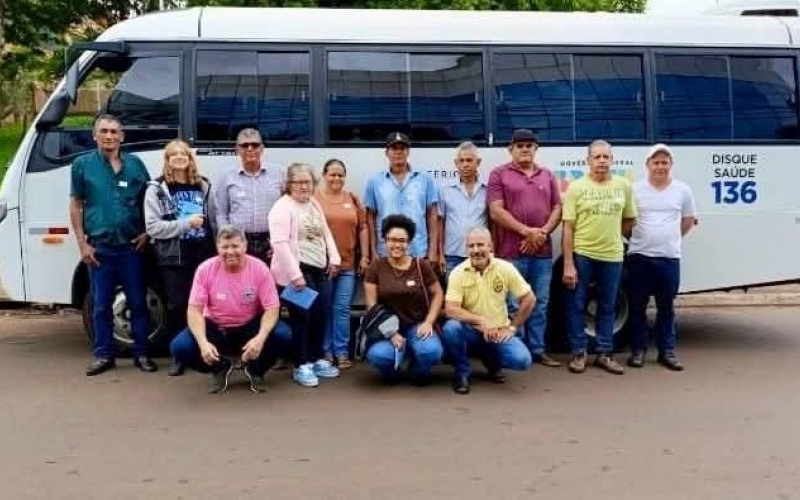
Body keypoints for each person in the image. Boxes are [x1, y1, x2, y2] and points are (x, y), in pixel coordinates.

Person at [69, 114, 157, 376]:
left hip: (132, 248)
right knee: (100, 306)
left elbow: (150, 200)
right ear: (95, 135)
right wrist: (82, 244)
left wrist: (147, 232)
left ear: (122, 136)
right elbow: (76, 205)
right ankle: (104, 355)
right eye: (104, 131)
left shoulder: (135, 165)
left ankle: (142, 353)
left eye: (114, 132)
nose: (109, 136)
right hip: (100, 249)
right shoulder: (82, 165)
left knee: (138, 302)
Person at [169, 225, 291, 394]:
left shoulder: (260, 268)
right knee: (179, 347)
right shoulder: (205, 269)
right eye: (224, 247)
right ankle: (220, 368)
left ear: (245, 246)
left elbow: (272, 308)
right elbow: (194, 311)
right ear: (217, 247)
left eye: (235, 246)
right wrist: (203, 343)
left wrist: (260, 338)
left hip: (249, 326)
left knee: (283, 334)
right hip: (216, 328)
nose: (230, 251)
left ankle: (256, 370)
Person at [487, 129, 562, 368]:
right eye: (519, 146)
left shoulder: (547, 175)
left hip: (542, 253)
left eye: (529, 145)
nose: (525, 149)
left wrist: (542, 233)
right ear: (511, 149)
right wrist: (527, 231)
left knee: (540, 303)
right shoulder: (499, 174)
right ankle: (516, 348)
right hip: (510, 252)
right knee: (513, 304)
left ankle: (538, 350)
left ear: (536, 149)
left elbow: (557, 208)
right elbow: (496, 211)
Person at [562, 140, 637, 375]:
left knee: (608, 305)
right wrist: (568, 264)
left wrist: (614, 237)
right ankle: (579, 353)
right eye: (597, 157)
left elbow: (630, 219)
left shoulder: (623, 186)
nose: (602, 161)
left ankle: (605, 353)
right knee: (576, 304)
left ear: (612, 160)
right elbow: (568, 227)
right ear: (588, 161)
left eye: (606, 157)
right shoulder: (576, 188)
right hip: (583, 255)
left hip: (613, 256)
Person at [143, 140, 216, 377]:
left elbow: (214, 219)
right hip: (175, 255)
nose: (178, 157)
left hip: (203, 253)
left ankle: (205, 350)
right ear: (167, 160)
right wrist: (186, 224)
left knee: (205, 305)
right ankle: (178, 354)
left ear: (190, 158)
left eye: (183, 153)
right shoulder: (156, 189)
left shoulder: (203, 185)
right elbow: (153, 228)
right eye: (172, 154)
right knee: (178, 305)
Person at [269, 162, 341, 387]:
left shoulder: (313, 203)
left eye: (307, 182)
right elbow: (279, 244)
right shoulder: (282, 207)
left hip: (320, 267)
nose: (303, 186)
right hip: (298, 270)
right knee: (302, 317)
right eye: (298, 182)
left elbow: (325, 233)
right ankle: (301, 364)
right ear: (289, 184)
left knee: (320, 314)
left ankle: (316, 358)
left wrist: (334, 258)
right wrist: (295, 275)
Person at [626, 144, 697, 371]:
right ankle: (638, 350)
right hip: (639, 256)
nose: (660, 166)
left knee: (666, 307)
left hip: (669, 258)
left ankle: (667, 352)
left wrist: (671, 238)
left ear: (670, 165)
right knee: (637, 307)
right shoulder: (634, 190)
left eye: (664, 162)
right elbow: (625, 221)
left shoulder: (682, 190)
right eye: (656, 162)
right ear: (647, 165)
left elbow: (688, 220)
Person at [442, 228, 534, 394]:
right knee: (451, 328)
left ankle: (492, 362)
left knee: (522, 360)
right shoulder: (458, 272)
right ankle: (462, 372)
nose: (476, 250)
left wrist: (512, 328)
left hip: (497, 332)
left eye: (480, 245)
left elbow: (529, 299)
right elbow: (450, 309)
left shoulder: (505, 268)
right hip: (471, 330)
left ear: (490, 246)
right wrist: (482, 321)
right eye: (471, 246)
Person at [363, 214, 444, 384]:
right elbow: (372, 306)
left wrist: (429, 322)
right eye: (392, 240)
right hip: (387, 327)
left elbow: (438, 293)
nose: (397, 245)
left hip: (417, 325)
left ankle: (417, 367)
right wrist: (391, 333)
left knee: (431, 352)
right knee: (379, 356)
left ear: (409, 242)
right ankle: (392, 371)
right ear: (385, 240)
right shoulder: (376, 267)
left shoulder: (421, 265)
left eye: (402, 240)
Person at [315, 159, 370, 369]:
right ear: (324, 175)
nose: (336, 178)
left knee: (342, 309)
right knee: (326, 308)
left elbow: (363, 227)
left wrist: (364, 256)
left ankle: (342, 352)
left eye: (340, 175)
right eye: (332, 174)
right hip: (323, 266)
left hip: (348, 265)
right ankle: (326, 352)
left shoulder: (352, 199)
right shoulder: (314, 199)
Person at [364, 132, 439, 262]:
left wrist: (433, 250)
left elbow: (432, 215)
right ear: (386, 152)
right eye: (394, 148)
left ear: (408, 152)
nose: (398, 152)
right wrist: (373, 251)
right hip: (386, 252)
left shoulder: (424, 179)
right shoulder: (375, 181)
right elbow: (370, 218)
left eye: (402, 148)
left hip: (417, 252)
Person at [214, 128, 284, 264]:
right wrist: (229, 242)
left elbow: (288, 211)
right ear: (237, 149)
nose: (250, 149)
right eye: (244, 145)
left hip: (272, 241)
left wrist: (280, 242)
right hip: (239, 242)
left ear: (262, 148)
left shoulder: (280, 173)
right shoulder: (226, 177)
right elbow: (221, 213)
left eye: (255, 145)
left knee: (270, 278)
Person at [437, 142, 488, 280]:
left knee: (480, 292)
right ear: (456, 163)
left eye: (469, 160)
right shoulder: (445, 190)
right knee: (454, 293)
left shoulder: (487, 190)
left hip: (480, 253)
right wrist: (440, 254)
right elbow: (440, 224)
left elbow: (493, 222)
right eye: (461, 161)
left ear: (478, 162)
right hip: (452, 255)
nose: (465, 164)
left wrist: (492, 250)